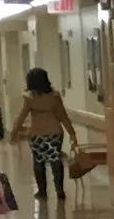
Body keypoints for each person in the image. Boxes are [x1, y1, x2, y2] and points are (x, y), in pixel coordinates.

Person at [10, 68, 72, 205]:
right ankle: (59, 190)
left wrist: (14, 132)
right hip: (55, 132)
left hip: (37, 133)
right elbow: (62, 116)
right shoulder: (55, 96)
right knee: (56, 159)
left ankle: (42, 191)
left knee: (39, 162)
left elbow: (21, 116)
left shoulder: (29, 98)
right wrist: (72, 133)